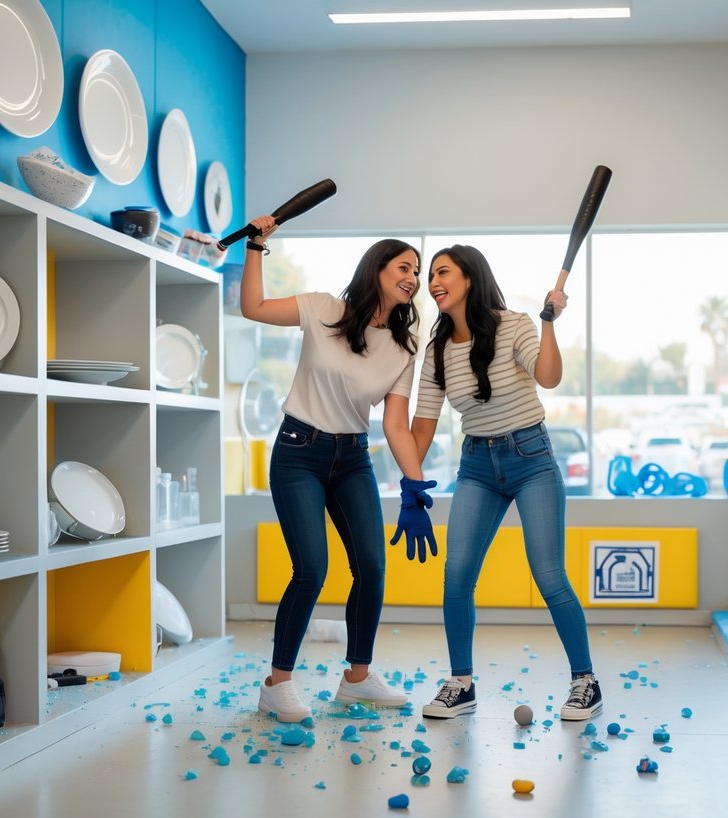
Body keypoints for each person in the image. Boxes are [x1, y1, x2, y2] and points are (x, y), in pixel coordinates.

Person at [240, 216, 436, 723]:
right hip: (298, 450)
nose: (413, 276)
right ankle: (276, 684)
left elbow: (395, 425)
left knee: (371, 566)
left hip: (352, 458)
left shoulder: (403, 348)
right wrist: (258, 245)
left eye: (416, 270)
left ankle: (356, 678)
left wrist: (414, 487)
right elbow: (253, 307)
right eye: (404, 266)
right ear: (376, 269)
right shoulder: (324, 308)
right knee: (312, 568)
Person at [410, 244, 601, 720]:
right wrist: (408, 482)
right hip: (476, 464)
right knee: (456, 577)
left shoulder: (515, 324)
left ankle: (586, 683)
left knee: (549, 576)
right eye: (431, 274)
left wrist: (550, 321)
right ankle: (461, 684)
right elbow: (424, 423)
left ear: (470, 278)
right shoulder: (436, 350)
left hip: (531, 458)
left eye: (443, 272)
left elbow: (549, 377)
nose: (433, 282)